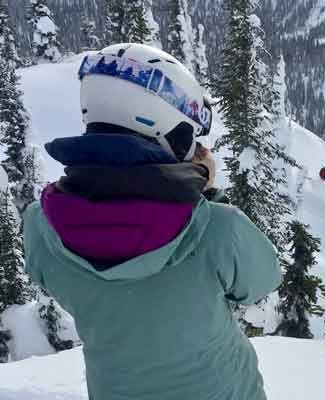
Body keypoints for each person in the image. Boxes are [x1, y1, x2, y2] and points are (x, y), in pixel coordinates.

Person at [22, 43, 281, 400]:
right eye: (189, 135)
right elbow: (261, 281)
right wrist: (204, 197)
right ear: (166, 127)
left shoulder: (41, 225)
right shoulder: (219, 229)